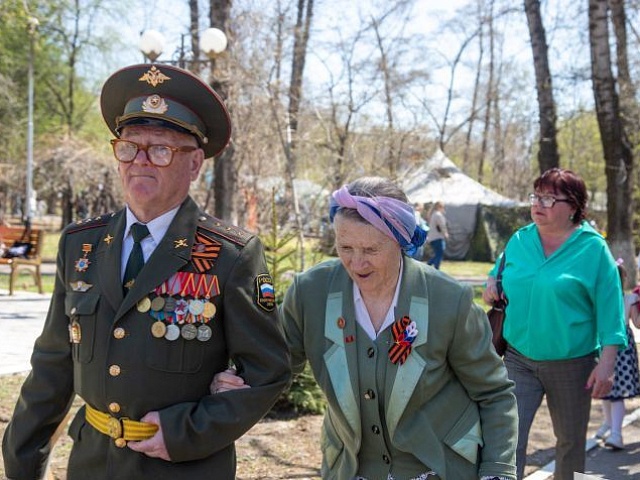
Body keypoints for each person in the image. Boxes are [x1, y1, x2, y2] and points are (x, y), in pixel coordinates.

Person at [2, 63, 291, 479]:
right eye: (129, 146)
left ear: (194, 165)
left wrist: (185, 432)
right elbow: (53, 363)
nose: (139, 162)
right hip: (93, 464)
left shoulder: (230, 254)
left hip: (183, 467)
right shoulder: (80, 244)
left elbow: (268, 371)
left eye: (160, 150)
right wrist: (21, 461)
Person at [214, 176, 518, 480]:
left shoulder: (448, 300)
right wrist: (236, 383)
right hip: (353, 468)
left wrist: (498, 470)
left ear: (399, 242)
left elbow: (494, 393)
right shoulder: (311, 293)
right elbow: (271, 364)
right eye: (344, 246)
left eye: (371, 250)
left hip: (439, 466)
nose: (357, 263)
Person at [482, 167, 627, 480]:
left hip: (572, 363)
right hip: (518, 358)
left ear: (573, 207)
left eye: (549, 198)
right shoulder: (521, 239)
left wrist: (607, 364)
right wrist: (491, 281)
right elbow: (498, 271)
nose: (538, 204)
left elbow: (610, 309)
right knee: (508, 439)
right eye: (536, 196)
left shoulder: (592, 248)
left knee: (570, 443)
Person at [594, 261, 640, 449]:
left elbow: (637, 323)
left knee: (617, 394)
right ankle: (609, 423)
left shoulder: (629, 299)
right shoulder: (600, 299)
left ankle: (616, 434)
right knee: (605, 391)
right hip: (603, 347)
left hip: (621, 350)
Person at [426, 201, 447, 269]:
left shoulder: (433, 214)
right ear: (439, 207)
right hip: (438, 237)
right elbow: (442, 226)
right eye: (443, 207)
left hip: (432, 238)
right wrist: (445, 233)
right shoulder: (438, 215)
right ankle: (433, 267)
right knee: (439, 254)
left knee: (437, 254)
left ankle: (428, 266)